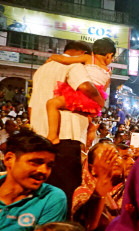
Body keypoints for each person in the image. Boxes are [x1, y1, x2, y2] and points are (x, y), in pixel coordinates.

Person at [29, 40, 105, 202]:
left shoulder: (41, 70)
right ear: (83, 54)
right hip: (65, 137)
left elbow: (31, 107)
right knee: (64, 193)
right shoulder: (75, 66)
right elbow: (85, 86)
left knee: (40, 192)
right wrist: (100, 101)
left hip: (38, 137)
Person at [0, 133, 68, 231]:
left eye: (49, 165)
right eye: (35, 162)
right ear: (9, 159)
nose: (43, 171)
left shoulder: (52, 198)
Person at [44, 39, 114, 144]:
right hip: (93, 103)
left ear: (92, 52)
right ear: (109, 55)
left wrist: (53, 57)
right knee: (84, 116)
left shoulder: (89, 58)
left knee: (52, 103)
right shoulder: (108, 72)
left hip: (81, 96)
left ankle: (52, 135)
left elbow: (66, 60)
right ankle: (89, 130)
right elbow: (102, 91)